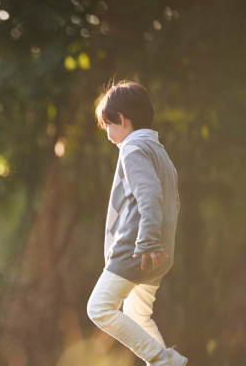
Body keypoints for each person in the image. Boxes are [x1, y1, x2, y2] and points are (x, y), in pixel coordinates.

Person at [87, 81, 188, 366]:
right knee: (138, 315)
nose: (107, 134)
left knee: (99, 308)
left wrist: (147, 241)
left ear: (122, 118)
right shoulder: (161, 153)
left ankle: (161, 359)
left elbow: (150, 195)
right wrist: (158, 241)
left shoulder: (132, 148)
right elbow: (172, 202)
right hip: (158, 252)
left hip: (138, 249)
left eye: (107, 124)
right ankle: (166, 363)